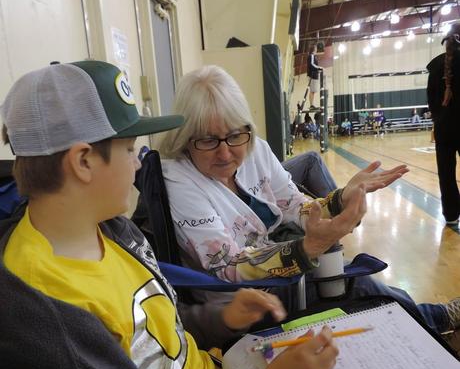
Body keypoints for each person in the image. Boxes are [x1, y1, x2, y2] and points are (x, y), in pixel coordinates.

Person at [0, 60, 339, 369]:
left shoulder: (110, 230)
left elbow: (148, 331)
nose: (141, 164)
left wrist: (216, 318)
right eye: (129, 149)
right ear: (83, 161)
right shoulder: (37, 311)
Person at [159, 65, 460, 336]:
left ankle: (432, 319)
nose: (225, 153)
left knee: (352, 278)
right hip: (243, 303)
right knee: (361, 288)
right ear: (186, 139)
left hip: (284, 272)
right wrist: (309, 247)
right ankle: (436, 319)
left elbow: (292, 205)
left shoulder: (255, 149)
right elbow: (227, 267)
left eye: (235, 135)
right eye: (208, 141)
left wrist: (339, 200)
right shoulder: (178, 177)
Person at [427, 23, 460, 226]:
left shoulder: (436, 66)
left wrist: (440, 119)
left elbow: (431, 101)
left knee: (446, 175)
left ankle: (451, 214)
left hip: (444, 129)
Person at [307, 44, 322, 110]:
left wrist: (318, 70)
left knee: (313, 91)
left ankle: (312, 105)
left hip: (314, 75)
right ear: (313, 49)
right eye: (315, 48)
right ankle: (311, 105)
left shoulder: (314, 56)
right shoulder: (311, 55)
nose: (316, 49)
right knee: (312, 91)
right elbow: (312, 64)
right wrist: (319, 68)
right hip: (312, 75)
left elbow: (313, 65)